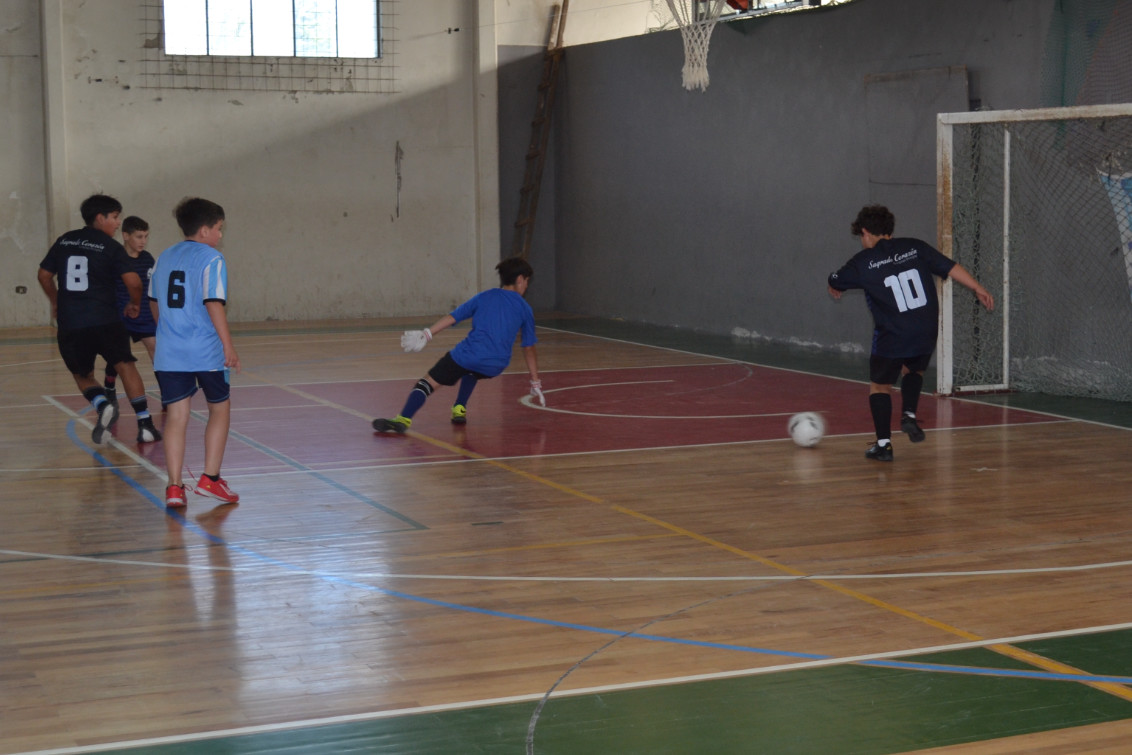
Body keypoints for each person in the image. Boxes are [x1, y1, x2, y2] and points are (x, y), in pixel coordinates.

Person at [827, 204, 995, 461]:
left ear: (865, 232)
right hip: (926, 329)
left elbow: (837, 279)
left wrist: (833, 284)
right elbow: (950, 267)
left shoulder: (863, 262)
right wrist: (978, 287)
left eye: (861, 237)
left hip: (893, 334)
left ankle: (883, 446)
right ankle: (909, 415)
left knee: (880, 387)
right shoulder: (915, 247)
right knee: (913, 370)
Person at [37, 194, 162, 445]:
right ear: (100, 218)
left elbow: (43, 275)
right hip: (106, 318)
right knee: (125, 365)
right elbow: (134, 281)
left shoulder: (64, 241)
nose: (118, 223)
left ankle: (102, 403)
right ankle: (145, 424)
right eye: (115, 218)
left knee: (82, 374)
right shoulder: (111, 246)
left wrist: (56, 301)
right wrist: (135, 304)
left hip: (72, 322)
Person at [372, 256, 544, 434]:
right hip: (496, 365)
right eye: (526, 281)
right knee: (473, 371)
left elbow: (453, 317)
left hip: (467, 356)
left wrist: (428, 334)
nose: (526, 285)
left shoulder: (484, 297)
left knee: (427, 383)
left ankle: (403, 419)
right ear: (519, 279)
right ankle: (459, 408)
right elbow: (529, 348)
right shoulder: (525, 308)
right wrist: (535, 381)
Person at [148, 197, 240, 507]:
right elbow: (213, 302)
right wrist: (228, 345)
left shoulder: (163, 257)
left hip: (170, 352)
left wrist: (167, 331)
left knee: (176, 416)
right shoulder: (212, 258)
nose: (220, 235)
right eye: (218, 228)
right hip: (205, 349)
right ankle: (210, 479)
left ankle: (174, 488)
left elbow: (153, 301)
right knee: (220, 408)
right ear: (204, 230)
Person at [102, 217, 159, 429]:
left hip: (144, 316)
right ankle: (109, 385)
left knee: (157, 350)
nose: (143, 241)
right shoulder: (115, 259)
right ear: (125, 236)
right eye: (138, 236)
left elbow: (153, 288)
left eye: (146, 236)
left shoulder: (148, 259)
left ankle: (167, 391)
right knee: (120, 356)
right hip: (120, 317)